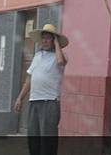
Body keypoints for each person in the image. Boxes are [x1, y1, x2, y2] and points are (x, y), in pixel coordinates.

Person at [14, 23, 68, 155]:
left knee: (48, 139)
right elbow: (29, 79)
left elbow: (61, 62)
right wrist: (20, 98)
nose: (45, 41)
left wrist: (57, 44)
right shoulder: (37, 55)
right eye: (43, 38)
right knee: (33, 138)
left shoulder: (59, 55)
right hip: (34, 101)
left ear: (54, 39)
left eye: (48, 38)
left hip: (49, 102)